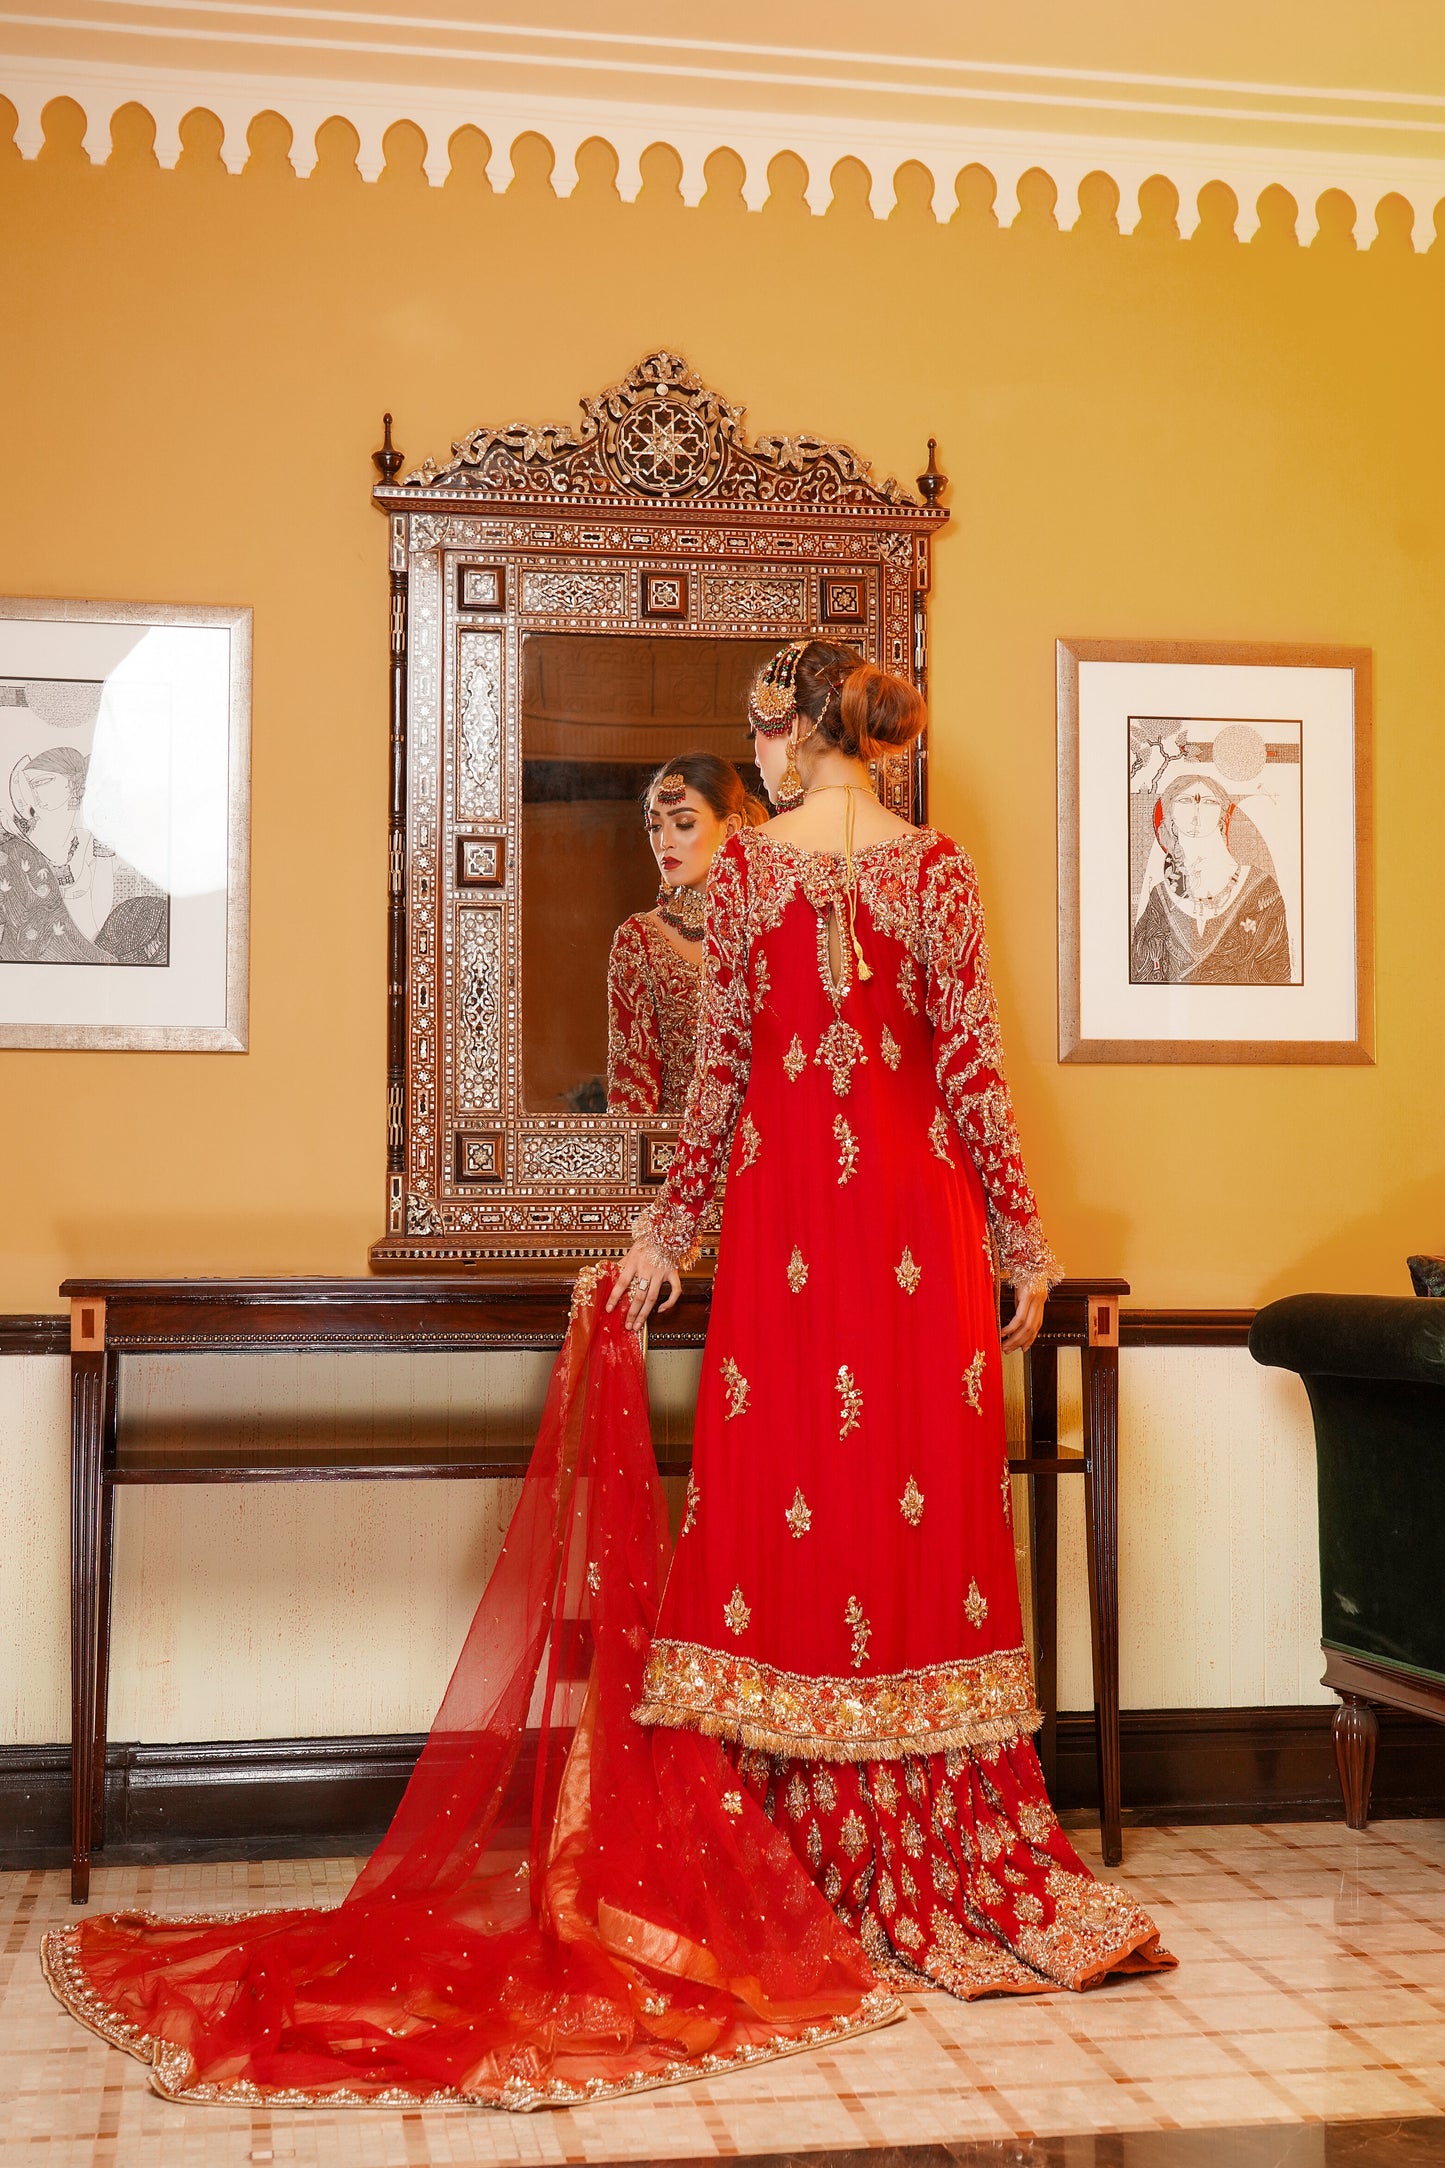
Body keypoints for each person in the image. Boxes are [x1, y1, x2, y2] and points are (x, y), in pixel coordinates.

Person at [610, 639, 1172, 1997]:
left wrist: (666, 1231)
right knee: (909, 1502)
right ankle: (949, 1842)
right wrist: (1024, 1244)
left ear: (805, 728)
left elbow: (723, 1076)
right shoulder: (935, 866)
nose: (751, 755)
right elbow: (972, 1069)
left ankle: (791, 1839)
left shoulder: (746, 870)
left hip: (788, 1230)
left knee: (799, 1495)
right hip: (919, 1234)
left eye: (761, 728)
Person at [606, 754, 764, 1114]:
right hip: (672, 1160)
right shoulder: (640, 941)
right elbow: (631, 1087)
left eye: (684, 824)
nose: (665, 842)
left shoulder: (772, 927)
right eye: (655, 826)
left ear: (731, 828)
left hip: (766, 1156)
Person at [1130, 770, 1291, 986]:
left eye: (1208, 801)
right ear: (1170, 817)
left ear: (1223, 815)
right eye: (1185, 800)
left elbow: (1277, 974)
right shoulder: (1160, 896)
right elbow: (1143, 975)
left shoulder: (1260, 889)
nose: (1196, 808)